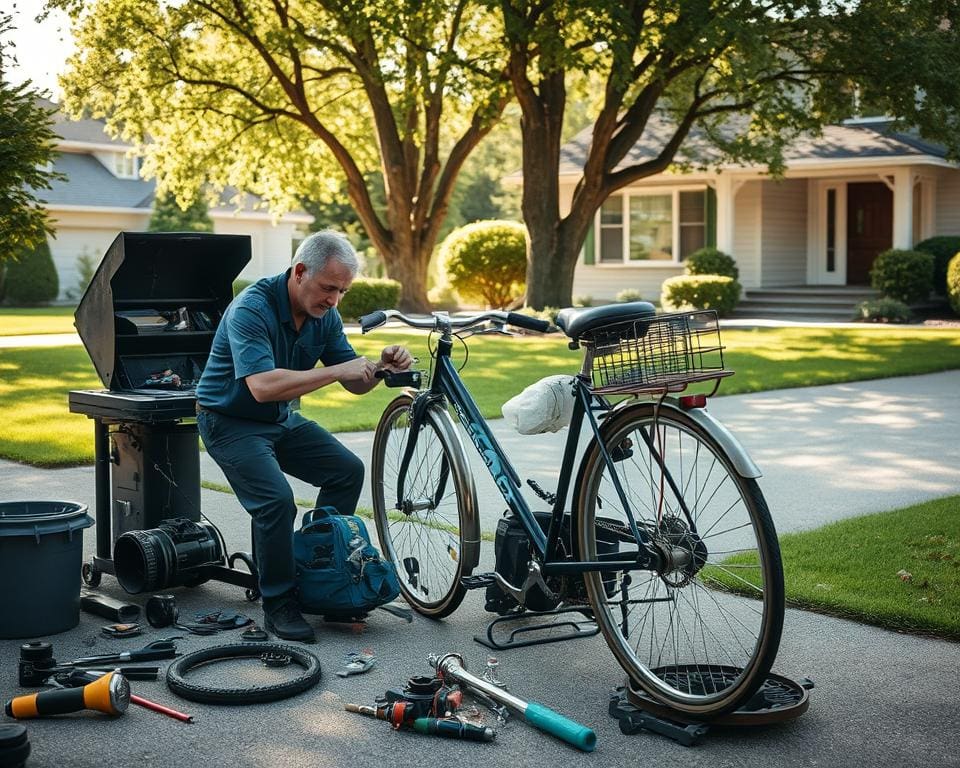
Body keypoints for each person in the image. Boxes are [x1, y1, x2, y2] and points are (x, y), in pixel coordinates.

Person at [196, 230, 413, 641]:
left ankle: (321, 577)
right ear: (299, 272)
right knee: (276, 501)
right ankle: (278, 602)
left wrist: (381, 367)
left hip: (277, 420)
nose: (334, 300)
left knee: (346, 470)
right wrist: (337, 372)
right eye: (329, 287)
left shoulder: (323, 316)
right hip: (228, 421)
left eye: (343, 291)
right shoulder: (251, 308)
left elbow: (354, 380)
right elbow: (261, 385)